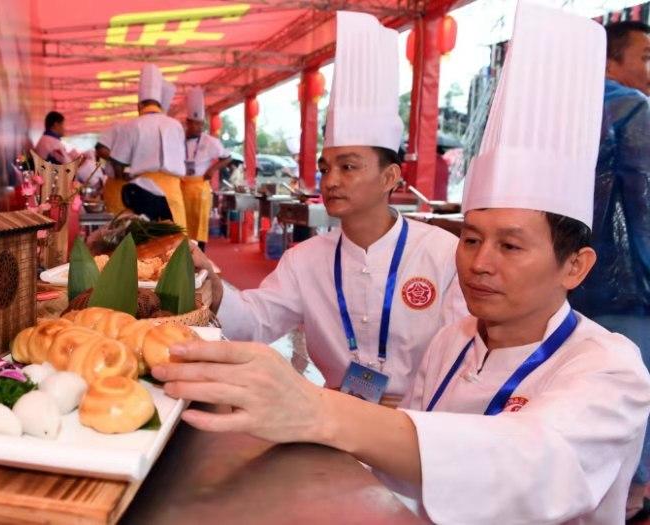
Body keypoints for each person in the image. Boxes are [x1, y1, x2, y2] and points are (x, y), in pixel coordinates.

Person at [156, 6, 650, 524]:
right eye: (473, 238)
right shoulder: (454, 342)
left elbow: (533, 464)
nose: (480, 264)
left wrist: (321, 411)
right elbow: (413, 477)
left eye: (510, 246)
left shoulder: (610, 367)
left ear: (575, 266)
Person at [191, 11, 465, 406]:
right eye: (325, 167)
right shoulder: (304, 260)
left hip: (425, 427)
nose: (331, 179)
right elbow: (256, 323)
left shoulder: (441, 254)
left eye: (349, 167)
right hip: (335, 419)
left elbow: (463, 355)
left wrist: (413, 406)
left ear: (390, 177)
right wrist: (212, 285)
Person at [569, 20, 650, 520]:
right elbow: (644, 208)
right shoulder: (633, 109)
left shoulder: (561, 105)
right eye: (644, 56)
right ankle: (635, 497)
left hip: (570, 281)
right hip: (630, 287)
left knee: (582, 388)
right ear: (609, 61)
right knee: (634, 393)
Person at [112, 64, 187, 226]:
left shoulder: (131, 125)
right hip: (173, 191)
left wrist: (124, 175)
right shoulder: (176, 125)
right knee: (176, 242)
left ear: (139, 106)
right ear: (159, 105)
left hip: (143, 193)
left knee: (145, 242)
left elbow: (117, 162)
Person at [182, 87, 231, 251]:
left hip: (200, 187)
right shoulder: (178, 138)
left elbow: (227, 157)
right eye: (194, 123)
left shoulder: (211, 142)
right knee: (181, 225)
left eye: (200, 124)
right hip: (181, 186)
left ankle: (200, 255)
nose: (197, 127)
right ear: (187, 123)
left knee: (199, 226)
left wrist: (213, 169)